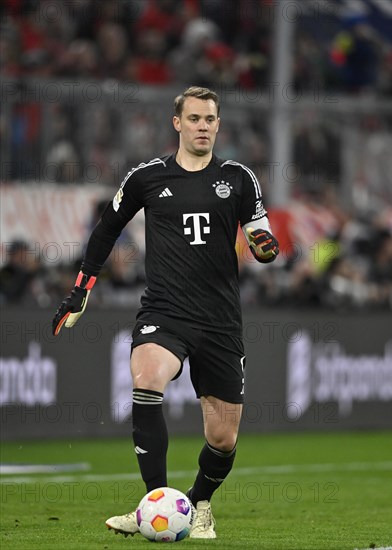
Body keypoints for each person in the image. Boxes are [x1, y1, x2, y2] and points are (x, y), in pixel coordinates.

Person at [52, 86, 279, 539]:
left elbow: (261, 233)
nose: (202, 126)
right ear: (177, 123)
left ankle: (198, 504)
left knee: (223, 438)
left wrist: (264, 245)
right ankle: (154, 504)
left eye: (210, 119)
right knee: (147, 378)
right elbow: (106, 230)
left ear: (218, 124)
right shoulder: (147, 177)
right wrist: (81, 290)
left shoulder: (238, 178)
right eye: (194, 118)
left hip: (220, 319)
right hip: (165, 310)